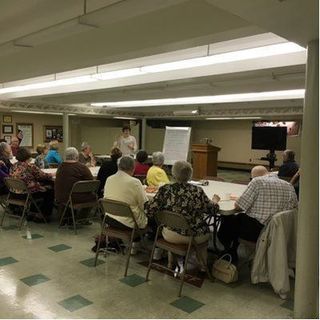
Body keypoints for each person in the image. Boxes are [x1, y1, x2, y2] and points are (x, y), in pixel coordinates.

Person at [145, 160, 220, 267]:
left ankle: (171, 263)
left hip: (170, 234)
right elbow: (213, 210)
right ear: (190, 175)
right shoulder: (197, 191)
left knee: (173, 222)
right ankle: (203, 266)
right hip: (194, 236)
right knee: (205, 237)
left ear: (173, 174)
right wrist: (215, 201)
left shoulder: (165, 190)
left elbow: (149, 210)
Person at [218, 165, 298, 263]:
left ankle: (229, 251)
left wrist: (240, 199)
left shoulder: (257, 182)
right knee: (239, 219)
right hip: (281, 231)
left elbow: (239, 206)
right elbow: (294, 209)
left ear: (253, 177)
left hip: (260, 231)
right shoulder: (289, 186)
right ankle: (233, 248)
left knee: (229, 219)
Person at [10, 147, 54, 221]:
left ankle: (32, 212)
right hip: (27, 193)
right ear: (28, 156)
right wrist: (53, 174)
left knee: (38, 186)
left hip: (15, 193)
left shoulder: (13, 166)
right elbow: (43, 175)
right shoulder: (29, 166)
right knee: (50, 190)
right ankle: (44, 215)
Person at [103, 156, 148, 230]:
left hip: (109, 218)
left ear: (119, 166)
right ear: (133, 168)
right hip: (128, 222)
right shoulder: (135, 182)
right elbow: (144, 205)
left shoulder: (109, 179)